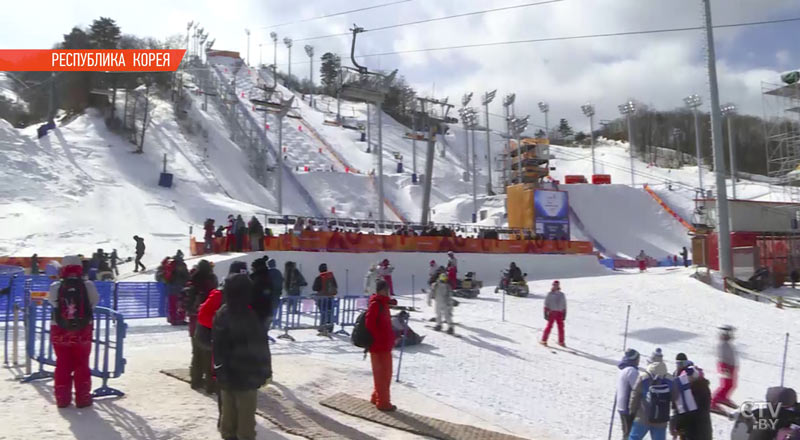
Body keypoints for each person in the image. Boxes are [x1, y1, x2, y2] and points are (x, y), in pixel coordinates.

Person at [213, 273, 271, 440]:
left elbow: (217, 346)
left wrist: (219, 369)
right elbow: (261, 346)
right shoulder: (251, 316)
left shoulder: (222, 313)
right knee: (245, 423)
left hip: (227, 376)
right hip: (248, 377)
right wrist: (266, 371)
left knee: (228, 419)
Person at [47, 255, 100, 408]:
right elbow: (94, 301)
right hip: (83, 329)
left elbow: (52, 302)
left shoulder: (56, 286)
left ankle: (62, 399)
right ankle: (83, 397)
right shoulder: (88, 285)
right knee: (81, 363)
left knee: (62, 363)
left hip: (59, 328)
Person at [193, 261, 248, 393]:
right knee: (213, 363)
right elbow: (203, 315)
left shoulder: (247, 294)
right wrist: (219, 325)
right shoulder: (219, 293)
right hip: (214, 337)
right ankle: (214, 385)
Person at [628, 348, 678, 440]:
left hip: (642, 418)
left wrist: (631, 413)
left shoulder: (644, 377)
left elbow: (634, 397)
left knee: (634, 438)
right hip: (661, 420)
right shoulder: (670, 379)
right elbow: (675, 398)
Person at [365, 279, 398, 412]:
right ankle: (383, 402)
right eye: (385, 289)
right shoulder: (376, 304)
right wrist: (379, 338)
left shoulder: (383, 304)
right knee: (381, 375)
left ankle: (376, 397)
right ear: (380, 290)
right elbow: (369, 324)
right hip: (378, 346)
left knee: (386, 374)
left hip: (384, 345)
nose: (387, 292)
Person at [670, 353, 712, 440]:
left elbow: (686, 412)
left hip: (692, 431)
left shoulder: (691, 391)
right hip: (704, 429)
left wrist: (677, 426)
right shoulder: (704, 387)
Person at [184, 260, 218, 338]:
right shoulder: (211, 277)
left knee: (195, 331)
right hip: (209, 306)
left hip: (195, 308)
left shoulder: (194, 277)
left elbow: (190, 293)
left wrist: (189, 308)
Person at [711, 325, 737, 411]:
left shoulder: (727, 344)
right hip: (724, 366)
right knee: (724, 385)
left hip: (730, 366)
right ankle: (712, 402)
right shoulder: (722, 344)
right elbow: (722, 356)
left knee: (731, 384)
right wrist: (725, 368)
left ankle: (723, 397)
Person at [616, 349, 641, 439]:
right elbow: (637, 387)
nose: (639, 361)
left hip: (621, 406)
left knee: (626, 431)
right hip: (628, 407)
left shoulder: (624, 369)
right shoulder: (631, 371)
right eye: (638, 359)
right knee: (629, 433)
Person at [312, 263, 338, 336]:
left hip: (322, 298)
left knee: (323, 313)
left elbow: (314, 288)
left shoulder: (319, 278)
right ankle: (330, 327)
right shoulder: (331, 277)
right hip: (330, 297)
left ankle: (322, 327)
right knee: (330, 312)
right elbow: (336, 286)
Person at [540, 280, 567, 347]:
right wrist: (545, 312)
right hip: (552, 312)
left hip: (560, 312)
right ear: (553, 285)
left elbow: (564, 304)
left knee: (561, 327)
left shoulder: (562, 294)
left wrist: (564, 313)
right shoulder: (550, 294)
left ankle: (561, 341)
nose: (555, 286)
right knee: (549, 326)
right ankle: (544, 340)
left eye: (557, 285)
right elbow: (546, 304)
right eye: (554, 285)